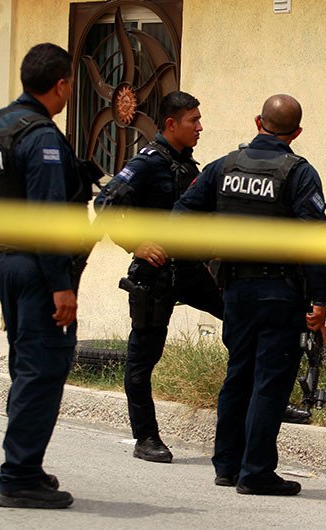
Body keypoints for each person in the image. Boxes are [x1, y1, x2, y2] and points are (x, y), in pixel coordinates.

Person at [174, 94, 326, 496]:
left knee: (238, 374)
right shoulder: (299, 173)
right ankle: (256, 472)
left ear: (258, 122)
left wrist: (210, 252)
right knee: (270, 382)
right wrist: (319, 300)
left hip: (235, 289)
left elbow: (181, 215)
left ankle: (227, 466)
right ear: (297, 132)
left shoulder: (223, 167)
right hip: (279, 291)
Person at [0, 43, 89, 508]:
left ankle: (28, 466)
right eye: (70, 83)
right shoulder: (42, 138)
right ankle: (17, 477)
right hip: (39, 270)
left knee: (26, 363)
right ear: (61, 85)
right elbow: (47, 217)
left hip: (3, 260)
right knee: (43, 367)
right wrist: (61, 285)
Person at [94, 91, 224, 463]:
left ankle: (261, 404)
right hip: (154, 276)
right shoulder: (146, 162)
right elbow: (104, 204)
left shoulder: (188, 165)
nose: (200, 127)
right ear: (171, 124)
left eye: (199, 120)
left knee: (242, 321)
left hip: (189, 269)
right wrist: (134, 244)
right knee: (143, 358)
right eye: (193, 120)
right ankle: (146, 438)